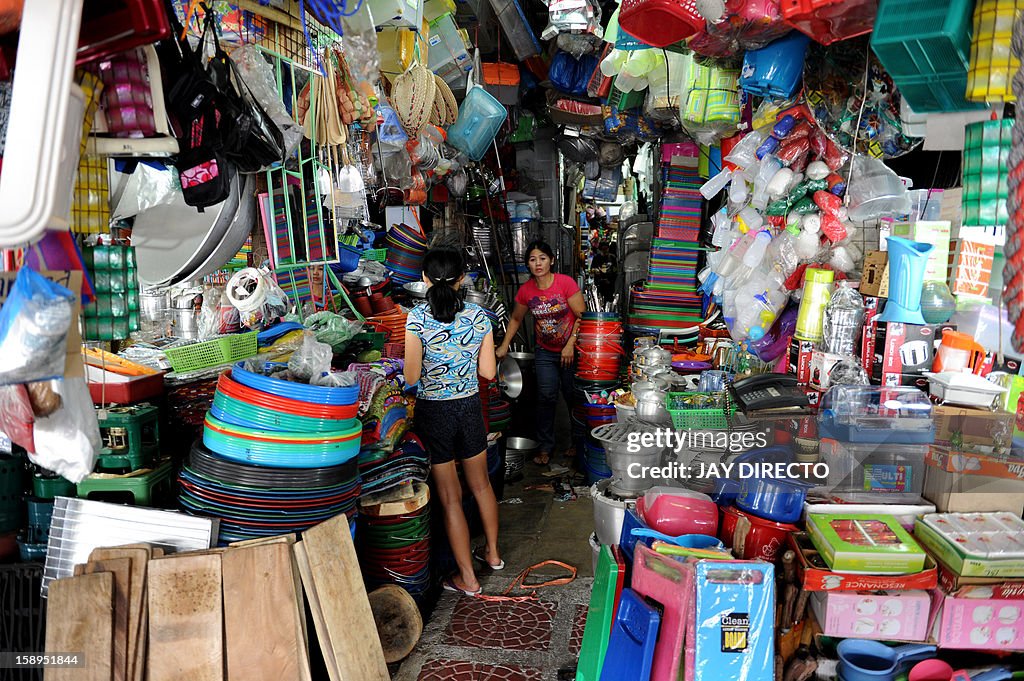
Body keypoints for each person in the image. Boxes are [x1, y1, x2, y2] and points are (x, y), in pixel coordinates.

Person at [405, 247, 502, 597]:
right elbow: (489, 371)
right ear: (463, 279)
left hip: (436, 413)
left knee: (450, 498)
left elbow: (412, 376)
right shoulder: (479, 316)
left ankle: (467, 578)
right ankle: (492, 554)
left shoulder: (416, 319)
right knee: (481, 486)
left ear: (425, 280)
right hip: (470, 408)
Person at [496, 241, 586, 466]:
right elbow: (516, 319)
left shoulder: (565, 283)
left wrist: (570, 344)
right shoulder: (526, 290)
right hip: (545, 352)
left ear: (551, 260)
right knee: (546, 397)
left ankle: (577, 442)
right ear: (528, 263)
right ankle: (546, 446)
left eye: (543, 258)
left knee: (571, 396)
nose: (538, 263)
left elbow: (583, 316)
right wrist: (504, 345)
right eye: (533, 259)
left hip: (570, 351)